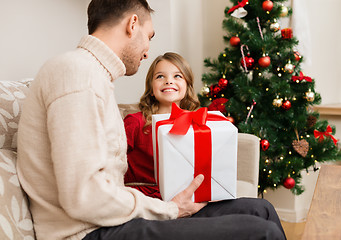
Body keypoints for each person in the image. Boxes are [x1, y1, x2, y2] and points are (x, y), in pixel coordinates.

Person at [16, 0, 286, 239]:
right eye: (149, 36)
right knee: (263, 232)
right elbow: (84, 197)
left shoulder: (92, 76)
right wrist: (169, 209)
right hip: (89, 232)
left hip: (112, 221)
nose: (147, 52)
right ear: (133, 24)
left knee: (260, 208)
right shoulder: (77, 74)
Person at [124, 52, 200, 199]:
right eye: (160, 76)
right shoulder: (135, 122)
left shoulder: (196, 124)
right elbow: (108, 161)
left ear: (187, 86)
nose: (168, 81)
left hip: (185, 198)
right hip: (144, 201)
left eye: (177, 76)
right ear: (151, 89)